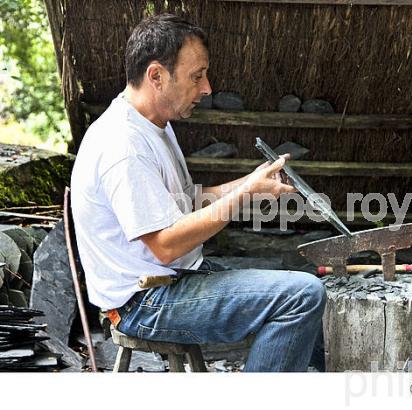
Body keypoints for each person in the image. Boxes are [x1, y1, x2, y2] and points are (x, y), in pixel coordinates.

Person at [70, 13, 326, 372]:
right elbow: (166, 245)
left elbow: (183, 201)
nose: (206, 88)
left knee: (304, 285)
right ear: (156, 76)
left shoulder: (154, 126)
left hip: (172, 280)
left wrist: (249, 184)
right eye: (197, 76)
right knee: (302, 296)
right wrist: (242, 196)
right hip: (144, 302)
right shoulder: (123, 144)